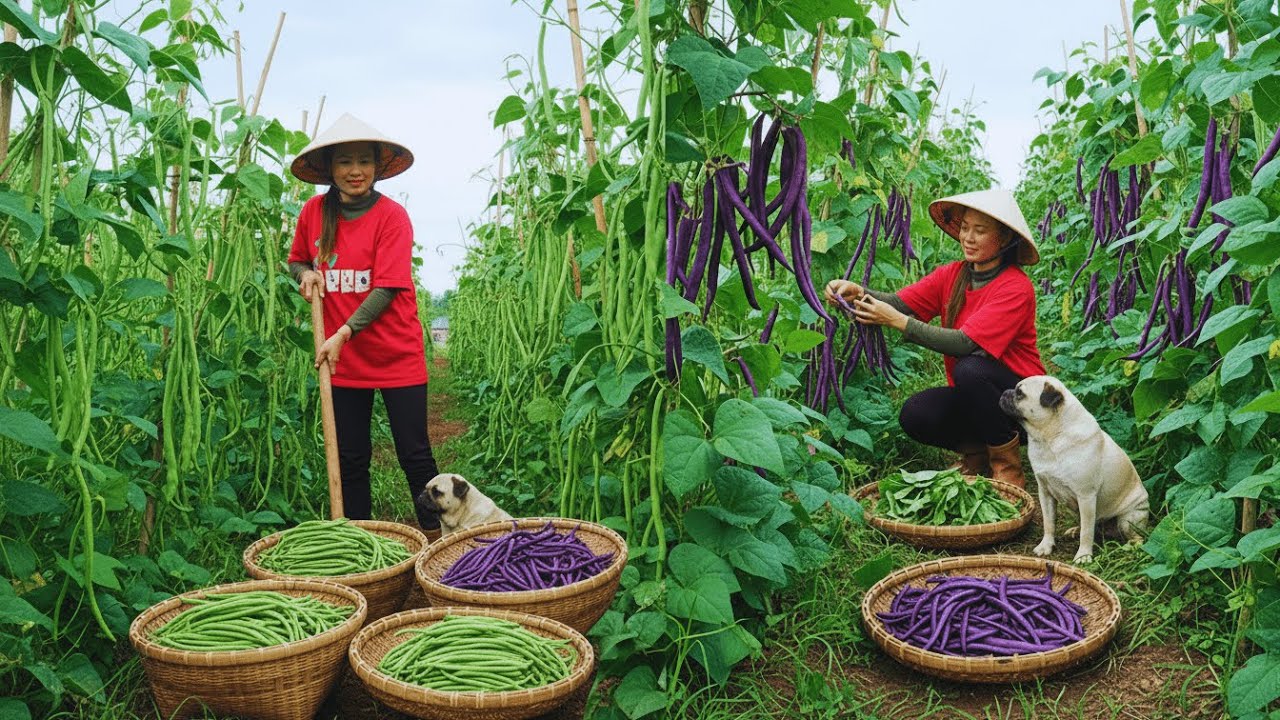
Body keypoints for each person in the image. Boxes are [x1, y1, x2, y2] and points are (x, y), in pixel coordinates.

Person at [824, 189, 1045, 487]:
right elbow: (901, 304)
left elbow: (965, 343)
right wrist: (859, 292)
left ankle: (1008, 467)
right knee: (917, 413)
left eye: (980, 231)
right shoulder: (952, 275)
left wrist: (899, 323)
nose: (968, 237)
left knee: (969, 367)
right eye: (965, 228)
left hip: (1024, 403)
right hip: (979, 397)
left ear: (1004, 239)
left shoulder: (1015, 287)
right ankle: (977, 456)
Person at [287, 113, 440, 532]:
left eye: (364, 162)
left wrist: (344, 332)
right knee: (351, 458)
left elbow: (386, 288)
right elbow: (297, 259)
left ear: (377, 166)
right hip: (344, 361)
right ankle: (362, 543)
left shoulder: (391, 217)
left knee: (414, 454)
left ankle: (436, 538)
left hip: (395, 354)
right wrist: (305, 275)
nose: (355, 171)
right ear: (329, 169)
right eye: (344, 162)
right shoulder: (314, 213)